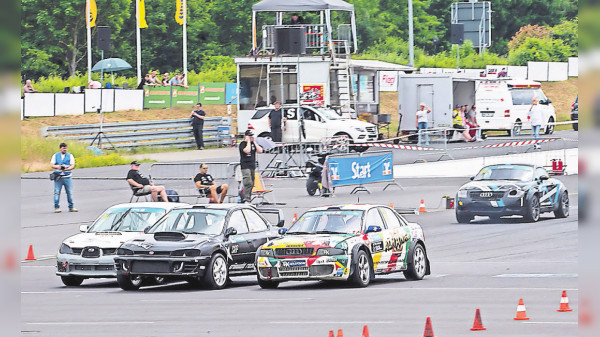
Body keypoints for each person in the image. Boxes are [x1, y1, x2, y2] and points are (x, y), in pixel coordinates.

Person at [51, 143, 77, 213]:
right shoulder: (55, 155)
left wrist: (67, 169)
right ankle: (56, 207)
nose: (64, 149)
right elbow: (52, 165)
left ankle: (71, 207)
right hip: (58, 177)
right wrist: (58, 167)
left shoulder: (70, 155)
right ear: (60, 149)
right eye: (63, 148)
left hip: (67, 176)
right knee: (57, 192)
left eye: (65, 148)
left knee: (69, 192)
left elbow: (72, 165)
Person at [239, 129, 263, 203]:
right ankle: (246, 198)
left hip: (252, 165)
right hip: (245, 165)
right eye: (249, 136)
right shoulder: (242, 144)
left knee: (252, 183)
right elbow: (247, 151)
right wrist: (248, 141)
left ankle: (247, 197)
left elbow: (260, 151)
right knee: (248, 182)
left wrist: (254, 142)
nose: (250, 137)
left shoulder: (253, 144)